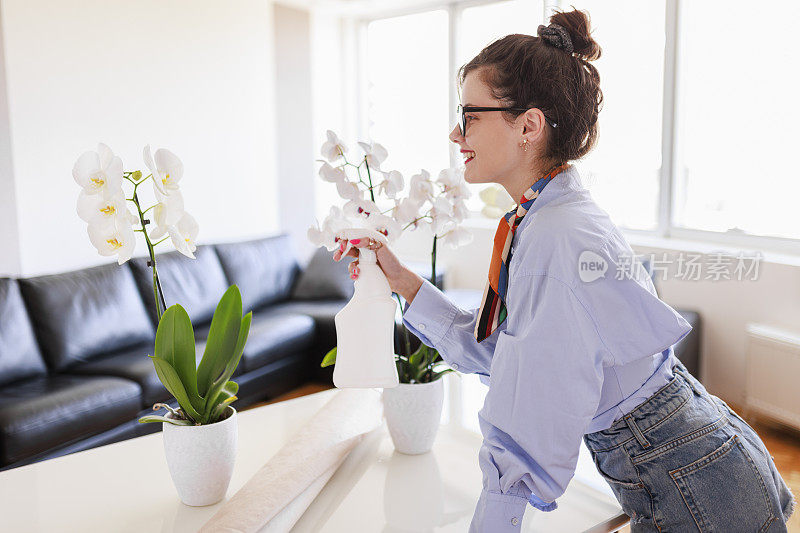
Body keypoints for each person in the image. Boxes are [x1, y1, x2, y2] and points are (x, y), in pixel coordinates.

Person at [334, 8, 795, 532]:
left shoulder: (555, 236)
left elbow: (528, 419)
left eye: (469, 115)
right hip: (699, 455)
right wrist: (402, 281)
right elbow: (509, 356)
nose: (454, 132)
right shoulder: (548, 216)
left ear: (528, 125)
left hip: (694, 478)